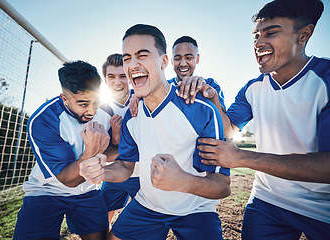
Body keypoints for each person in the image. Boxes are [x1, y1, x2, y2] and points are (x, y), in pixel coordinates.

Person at [183, 0, 330, 239]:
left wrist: (242, 157)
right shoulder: (253, 88)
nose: (259, 43)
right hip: (267, 201)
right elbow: (229, 129)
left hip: (323, 209)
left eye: (271, 33)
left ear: (304, 34)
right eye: (256, 36)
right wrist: (212, 100)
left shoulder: (325, 79)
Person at [79, 24, 231, 240]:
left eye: (142, 55)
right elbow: (125, 166)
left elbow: (223, 186)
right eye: (127, 58)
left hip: (195, 209)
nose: (133, 64)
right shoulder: (132, 114)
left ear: (164, 61)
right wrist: (101, 172)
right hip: (147, 206)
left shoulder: (201, 110)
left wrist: (183, 181)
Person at [13, 61, 110, 240]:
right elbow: (67, 179)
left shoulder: (105, 113)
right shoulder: (43, 120)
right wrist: (92, 151)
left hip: (86, 190)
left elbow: (110, 149)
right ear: (64, 98)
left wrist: (114, 140)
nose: (91, 110)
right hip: (46, 191)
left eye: (96, 101)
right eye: (83, 104)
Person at [92, 53, 140, 224]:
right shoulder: (98, 110)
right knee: (102, 216)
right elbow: (100, 153)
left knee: (145, 220)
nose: (117, 82)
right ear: (105, 80)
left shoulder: (144, 99)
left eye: (123, 76)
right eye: (111, 76)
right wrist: (115, 136)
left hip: (141, 175)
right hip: (114, 174)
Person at [129, 35, 226, 117]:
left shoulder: (210, 85)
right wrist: (137, 96)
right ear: (171, 61)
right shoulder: (162, 86)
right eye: (177, 58)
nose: (183, 63)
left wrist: (209, 96)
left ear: (197, 59)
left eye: (188, 57)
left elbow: (223, 124)